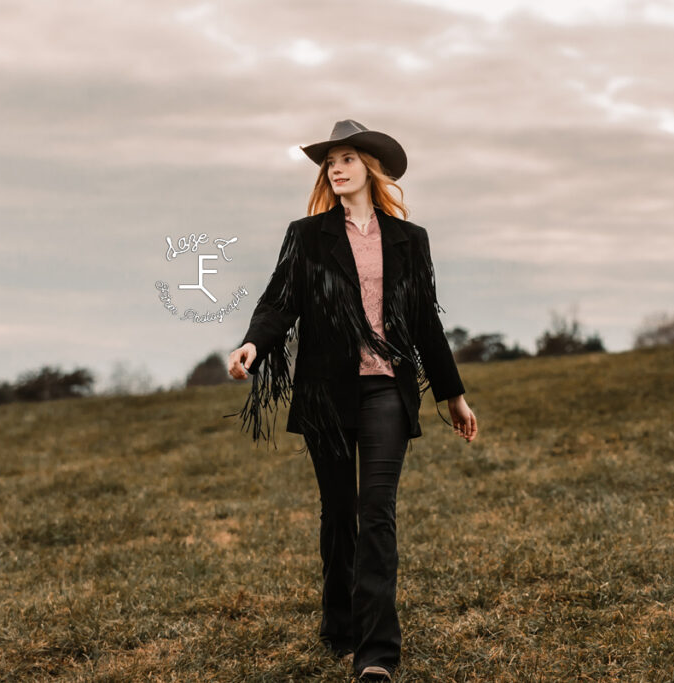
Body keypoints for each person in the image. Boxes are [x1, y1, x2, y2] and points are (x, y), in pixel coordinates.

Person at [227, 119, 477, 682]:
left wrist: (454, 397)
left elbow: (426, 325)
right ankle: (339, 625)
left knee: (376, 513)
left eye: (346, 159)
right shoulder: (307, 234)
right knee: (340, 514)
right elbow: (278, 302)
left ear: (369, 168)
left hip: (387, 387)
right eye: (329, 162)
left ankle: (376, 654)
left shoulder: (410, 240)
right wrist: (252, 345)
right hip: (326, 394)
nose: (335, 169)